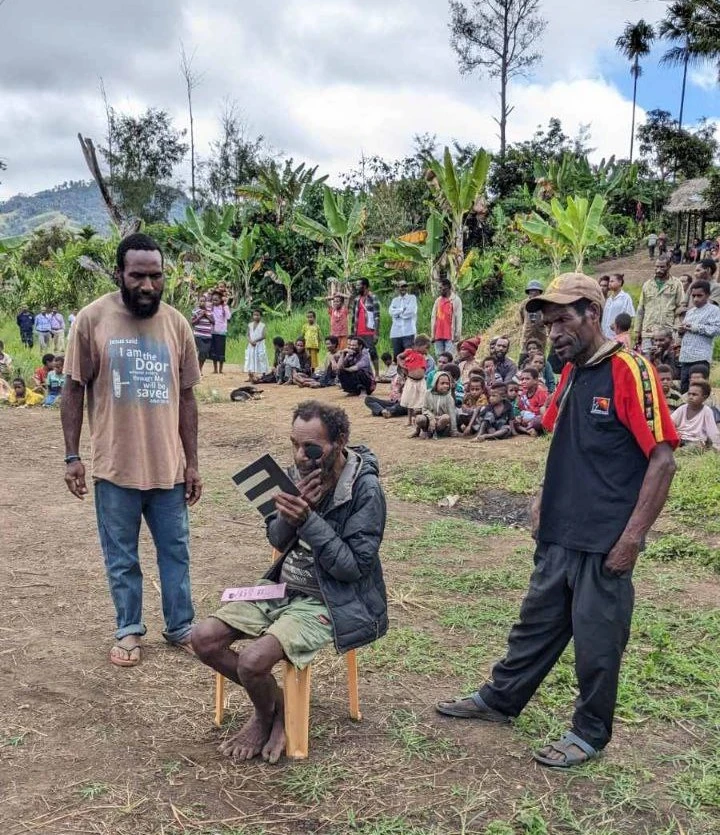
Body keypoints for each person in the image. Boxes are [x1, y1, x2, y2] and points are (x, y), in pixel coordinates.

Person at [437, 272, 678, 768]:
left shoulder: (630, 370)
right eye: (548, 325)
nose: (555, 333)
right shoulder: (569, 372)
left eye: (564, 319)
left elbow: (663, 460)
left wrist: (633, 537)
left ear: (594, 313)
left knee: (597, 642)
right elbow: (565, 439)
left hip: (605, 539)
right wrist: (543, 496)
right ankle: (499, 700)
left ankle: (589, 734)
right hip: (559, 532)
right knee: (534, 625)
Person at [191, 400, 388, 764]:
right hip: (282, 589)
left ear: (340, 440)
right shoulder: (293, 475)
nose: (301, 456)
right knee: (202, 638)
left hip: (329, 599)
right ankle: (277, 708)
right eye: (294, 445)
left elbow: (352, 569)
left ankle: (263, 715)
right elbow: (278, 539)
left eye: (311, 447)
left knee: (252, 661)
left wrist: (309, 520)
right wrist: (291, 512)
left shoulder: (365, 489)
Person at [61, 233, 202, 668]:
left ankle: (181, 626)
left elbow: (187, 398)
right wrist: (72, 456)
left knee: (175, 552)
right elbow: (72, 390)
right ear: (119, 273)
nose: (147, 285)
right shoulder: (92, 320)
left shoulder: (177, 325)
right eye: (138, 275)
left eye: (156, 276)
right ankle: (129, 629)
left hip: (168, 470)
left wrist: (192, 462)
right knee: (122, 556)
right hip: (115, 468)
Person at [678, 279, 720, 392]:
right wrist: (681, 331)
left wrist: (694, 327)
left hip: (701, 358)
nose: (696, 299)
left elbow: (716, 330)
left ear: (708, 295)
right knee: (685, 389)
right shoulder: (690, 312)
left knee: (698, 390)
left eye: (699, 296)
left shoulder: (714, 310)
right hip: (686, 357)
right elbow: (684, 332)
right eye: (693, 296)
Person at [636, 258, 685, 353]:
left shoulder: (676, 284)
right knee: (648, 359)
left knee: (666, 360)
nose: (659, 269)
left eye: (662, 267)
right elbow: (641, 308)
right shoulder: (647, 284)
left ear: (669, 267)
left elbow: (680, 307)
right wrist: (638, 330)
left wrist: (676, 330)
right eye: (657, 266)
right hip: (648, 331)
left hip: (667, 332)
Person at [671, 381, 720, 450]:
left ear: (704, 397)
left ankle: (679, 451)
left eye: (694, 395)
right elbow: (670, 423)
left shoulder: (706, 411)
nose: (690, 397)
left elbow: (713, 432)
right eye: (689, 394)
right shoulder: (683, 408)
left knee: (696, 447)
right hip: (680, 438)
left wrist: (717, 447)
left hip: (695, 441)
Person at [412, 371, 458, 439]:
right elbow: (424, 409)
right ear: (435, 383)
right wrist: (431, 418)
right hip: (429, 419)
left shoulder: (449, 397)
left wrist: (454, 431)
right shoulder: (428, 393)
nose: (445, 386)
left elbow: (452, 414)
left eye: (447, 383)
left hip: (441, 422)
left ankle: (434, 432)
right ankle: (425, 430)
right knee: (419, 418)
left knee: (446, 417)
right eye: (442, 383)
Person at [398, 335, 432, 426]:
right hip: (411, 381)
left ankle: (420, 419)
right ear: (419, 345)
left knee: (422, 400)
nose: (427, 350)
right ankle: (409, 420)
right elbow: (399, 356)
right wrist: (401, 364)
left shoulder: (424, 356)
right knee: (410, 400)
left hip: (421, 381)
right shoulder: (409, 352)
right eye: (426, 348)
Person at [350, 279, 380, 373]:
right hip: (358, 331)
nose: (357, 287)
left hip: (369, 330)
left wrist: (376, 333)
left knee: (372, 351)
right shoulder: (357, 299)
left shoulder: (373, 297)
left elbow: (377, 316)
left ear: (365, 286)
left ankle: (377, 374)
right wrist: (352, 333)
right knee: (357, 352)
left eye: (359, 285)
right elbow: (353, 317)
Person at [430, 278, 462, 356]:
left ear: (447, 287)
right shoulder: (438, 300)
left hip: (450, 335)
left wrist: (457, 334)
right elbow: (433, 317)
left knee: (449, 357)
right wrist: (433, 335)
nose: (439, 290)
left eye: (441, 288)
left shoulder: (456, 300)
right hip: (438, 334)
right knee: (440, 357)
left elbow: (458, 317)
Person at [388, 280, 418, 360]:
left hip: (409, 332)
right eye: (400, 286)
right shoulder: (394, 300)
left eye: (404, 286)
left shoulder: (412, 298)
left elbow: (410, 312)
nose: (403, 288)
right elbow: (391, 312)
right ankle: (399, 372)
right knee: (397, 357)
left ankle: (409, 372)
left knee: (409, 356)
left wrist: (397, 313)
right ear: (397, 288)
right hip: (396, 333)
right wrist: (402, 309)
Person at [517, 279, 548, 355]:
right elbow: (521, 317)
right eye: (531, 291)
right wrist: (525, 325)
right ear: (528, 292)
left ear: (539, 292)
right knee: (525, 351)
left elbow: (548, 316)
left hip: (540, 331)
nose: (533, 293)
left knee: (540, 351)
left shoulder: (544, 303)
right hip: (528, 331)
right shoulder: (524, 303)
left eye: (536, 291)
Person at [514, 367, 548, 436]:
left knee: (537, 422)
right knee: (514, 421)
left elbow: (543, 411)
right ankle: (528, 431)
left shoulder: (541, 392)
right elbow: (521, 409)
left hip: (537, 417)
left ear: (535, 380)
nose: (524, 381)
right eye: (522, 379)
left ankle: (530, 429)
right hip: (526, 418)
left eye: (527, 379)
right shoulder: (523, 392)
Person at [601, 274, 635, 340]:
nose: (609, 283)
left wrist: (618, 325)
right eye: (609, 282)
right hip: (605, 335)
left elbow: (630, 316)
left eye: (612, 281)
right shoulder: (609, 299)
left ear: (619, 282)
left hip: (618, 336)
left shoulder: (625, 297)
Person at [244, 310, 269, 380]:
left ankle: (263, 374)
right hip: (251, 345)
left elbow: (264, 336)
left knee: (261, 359)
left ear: (260, 316)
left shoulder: (262, 325)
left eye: (257, 315)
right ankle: (250, 376)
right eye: (254, 315)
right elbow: (248, 335)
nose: (256, 316)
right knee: (250, 359)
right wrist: (251, 341)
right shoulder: (250, 325)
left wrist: (256, 341)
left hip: (260, 345)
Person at [192, 299, 215, 373]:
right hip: (198, 335)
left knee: (205, 353)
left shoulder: (210, 312)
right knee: (202, 351)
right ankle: (198, 370)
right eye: (201, 301)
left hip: (208, 335)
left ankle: (200, 368)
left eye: (204, 301)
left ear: (206, 302)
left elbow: (213, 322)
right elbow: (193, 322)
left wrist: (206, 316)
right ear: (198, 302)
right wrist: (201, 316)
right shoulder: (195, 311)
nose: (202, 303)